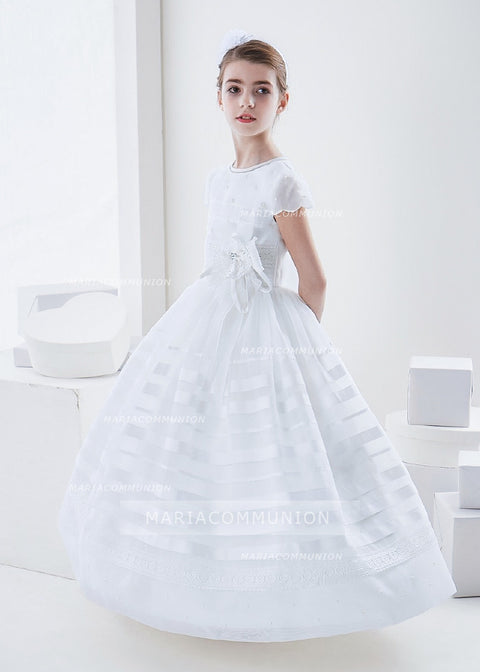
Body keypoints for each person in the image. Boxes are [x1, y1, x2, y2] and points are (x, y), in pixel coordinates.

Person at [57, 28, 457, 643]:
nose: (247, 101)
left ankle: (287, 586)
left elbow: (314, 279)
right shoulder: (219, 180)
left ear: (282, 101)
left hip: (267, 327)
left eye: (262, 90)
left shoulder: (282, 181)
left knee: (276, 455)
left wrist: (299, 351)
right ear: (218, 97)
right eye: (235, 89)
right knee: (201, 448)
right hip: (206, 320)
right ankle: (202, 579)